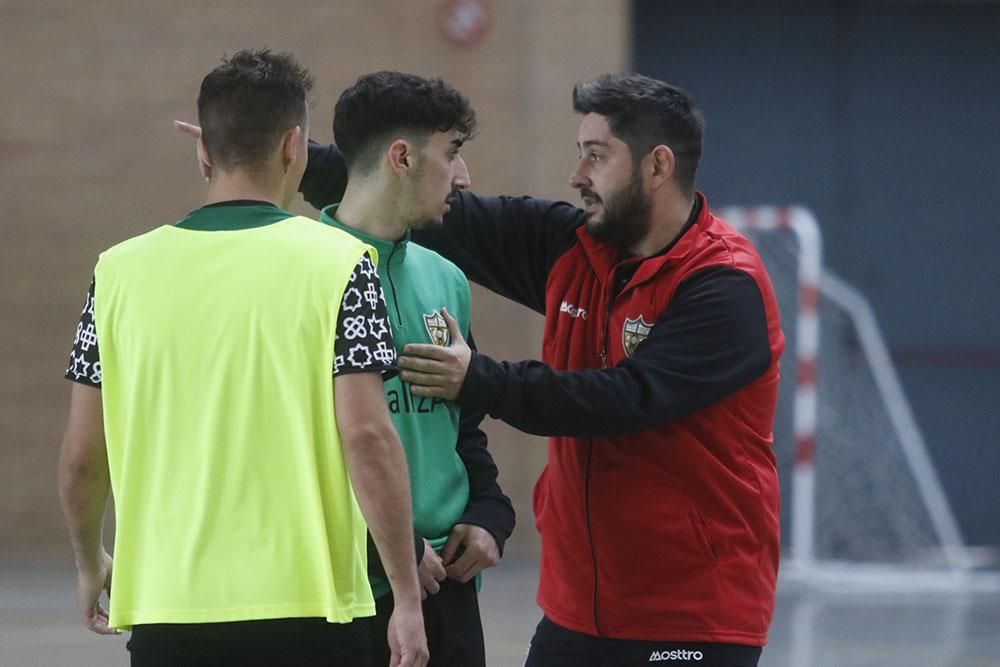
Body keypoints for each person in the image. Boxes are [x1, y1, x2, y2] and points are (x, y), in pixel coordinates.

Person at [301, 73, 784, 667]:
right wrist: (268, 157)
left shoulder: (725, 284)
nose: (578, 176)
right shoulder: (572, 248)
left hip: (692, 613)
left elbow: (625, 399)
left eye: (596, 157)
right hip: (576, 611)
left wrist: (480, 379)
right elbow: (392, 187)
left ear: (657, 167)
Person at [59, 50, 427, 667]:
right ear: (293, 145)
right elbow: (368, 436)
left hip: (166, 608)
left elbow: (80, 456)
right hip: (309, 611)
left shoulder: (116, 273)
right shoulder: (340, 266)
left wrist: (89, 559)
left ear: (203, 151)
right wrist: (408, 597)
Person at [178, 71, 515, 667]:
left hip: (452, 594)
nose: (463, 176)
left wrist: (489, 514)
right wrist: (392, 546)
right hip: (349, 596)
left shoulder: (446, 280)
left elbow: (463, 428)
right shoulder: (295, 273)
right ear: (402, 157)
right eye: (453, 153)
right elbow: (281, 443)